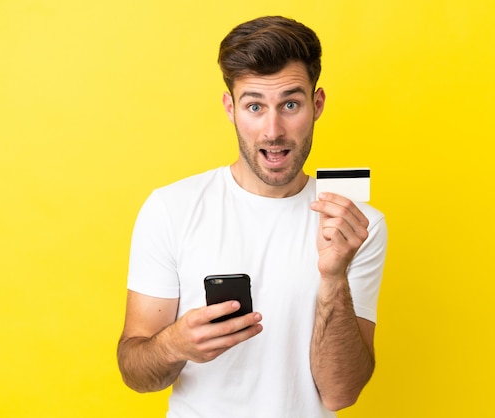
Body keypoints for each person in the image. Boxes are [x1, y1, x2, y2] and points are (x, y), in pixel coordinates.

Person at [117, 15, 387, 418]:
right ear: (231, 108)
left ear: (317, 105)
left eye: (290, 104)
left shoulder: (355, 224)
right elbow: (136, 374)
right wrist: (175, 344)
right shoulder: (170, 209)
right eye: (255, 106)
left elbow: (341, 393)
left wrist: (333, 277)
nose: (272, 130)